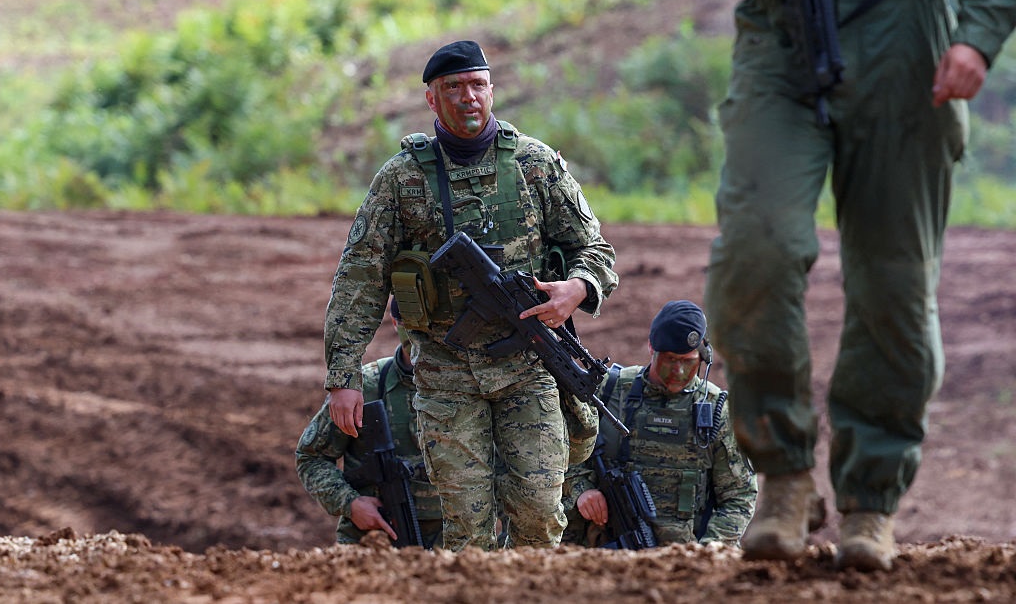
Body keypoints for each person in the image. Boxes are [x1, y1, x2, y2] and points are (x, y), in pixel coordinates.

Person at [703, 0, 1016, 571]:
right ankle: (784, 476)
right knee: (755, 251)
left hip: (907, 38)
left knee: (894, 283)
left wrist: (977, 36)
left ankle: (870, 497)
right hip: (784, 31)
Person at [322, 40, 619, 551]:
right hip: (445, 371)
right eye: (453, 88)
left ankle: (526, 588)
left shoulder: (534, 164)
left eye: (478, 85)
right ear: (431, 99)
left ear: (492, 91)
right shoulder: (401, 178)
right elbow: (359, 279)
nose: (468, 97)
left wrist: (578, 287)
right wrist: (342, 376)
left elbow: (594, 248)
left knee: (540, 514)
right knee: (466, 527)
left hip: (529, 365)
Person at [563, 300, 757, 547]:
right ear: (651, 348)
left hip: (687, 555)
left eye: (688, 362)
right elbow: (562, 453)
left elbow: (739, 496)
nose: (678, 371)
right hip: (604, 551)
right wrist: (582, 489)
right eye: (669, 360)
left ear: (703, 357)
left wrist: (708, 552)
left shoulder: (718, 411)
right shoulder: (610, 391)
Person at [297, 299, 443, 547]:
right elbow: (311, 457)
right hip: (372, 539)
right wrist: (351, 504)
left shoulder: (468, 389)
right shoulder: (367, 386)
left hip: (453, 544)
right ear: (395, 322)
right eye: (411, 324)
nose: (421, 334)